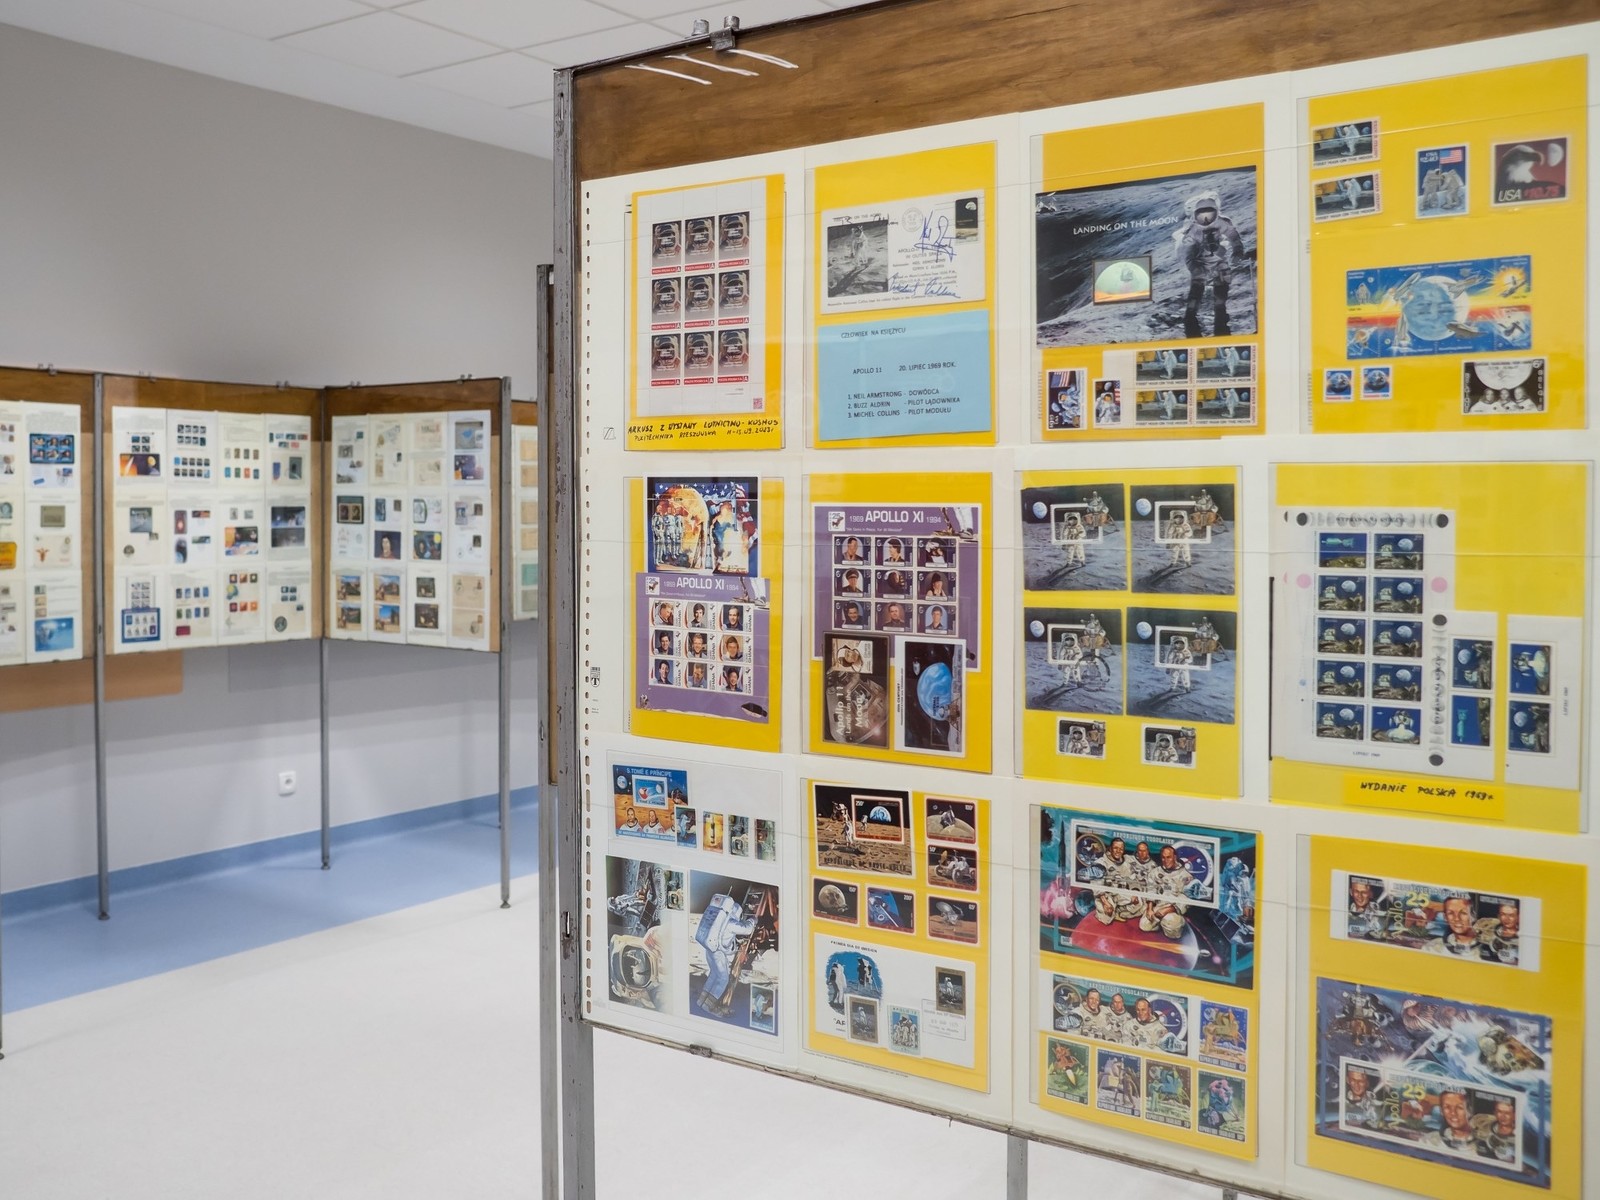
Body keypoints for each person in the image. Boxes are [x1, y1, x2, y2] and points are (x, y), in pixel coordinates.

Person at [1174, 190, 1245, 337]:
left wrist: (1237, 252)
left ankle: (1220, 315)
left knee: (1220, 291)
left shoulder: (1222, 223)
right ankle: (1190, 318)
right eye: (1202, 215)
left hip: (1218, 260)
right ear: (1195, 215)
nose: (1206, 219)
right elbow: (1187, 253)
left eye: (1209, 214)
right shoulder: (1192, 230)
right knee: (1196, 290)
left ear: (1216, 213)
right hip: (1199, 262)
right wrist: (1195, 268)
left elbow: (1234, 238)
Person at [1422, 1090, 1478, 1155]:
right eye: (1447, 1107)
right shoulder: (1429, 1140)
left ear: (1470, 1111)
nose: (1453, 1113)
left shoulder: (1480, 1146)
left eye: (1459, 1107)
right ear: (1441, 1111)